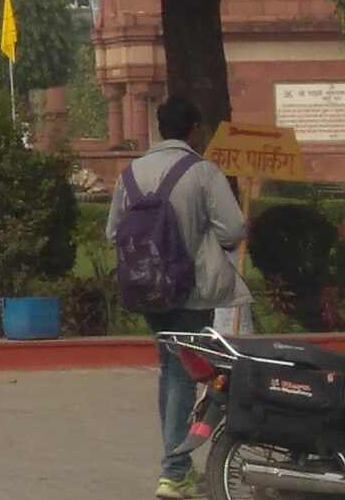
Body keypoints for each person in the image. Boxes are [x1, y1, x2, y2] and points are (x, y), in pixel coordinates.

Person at [107, 96, 246, 499]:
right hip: (191, 288)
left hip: (145, 288)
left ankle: (176, 467)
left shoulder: (130, 173)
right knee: (186, 374)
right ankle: (174, 471)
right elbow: (233, 229)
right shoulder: (202, 172)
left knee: (170, 371)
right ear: (194, 130)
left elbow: (113, 231)